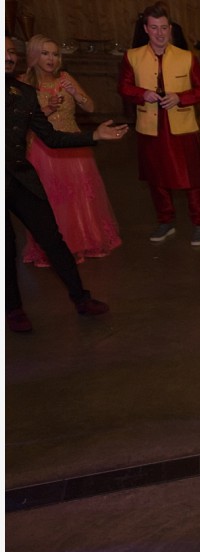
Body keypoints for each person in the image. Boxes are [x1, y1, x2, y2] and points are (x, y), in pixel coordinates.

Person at [6, 36, 128, 332]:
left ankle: (81, 299)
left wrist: (94, 136)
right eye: (3, 51)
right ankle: (13, 310)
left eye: (11, 51)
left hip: (21, 178)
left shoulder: (23, 92)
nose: (9, 57)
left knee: (53, 240)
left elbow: (51, 137)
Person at [17, 34, 122, 267]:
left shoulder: (65, 78)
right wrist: (45, 109)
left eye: (55, 54)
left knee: (80, 198)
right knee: (53, 202)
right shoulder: (24, 83)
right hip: (43, 150)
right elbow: (18, 120)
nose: (51, 59)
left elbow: (90, 106)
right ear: (34, 55)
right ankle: (54, 249)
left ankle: (83, 242)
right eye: (45, 53)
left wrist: (76, 94)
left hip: (74, 146)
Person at [119, 2, 200, 247]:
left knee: (191, 179)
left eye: (164, 28)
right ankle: (165, 221)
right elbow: (124, 87)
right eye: (154, 28)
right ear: (146, 29)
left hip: (182, 129)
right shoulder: (132, 57)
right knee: (156, 179)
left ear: (170, 29)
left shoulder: (186, 57)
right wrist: (142, 94)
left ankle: (199, 224)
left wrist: (181, 97)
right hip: (150, 128)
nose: (160, 33)